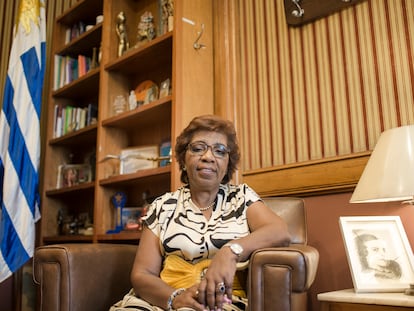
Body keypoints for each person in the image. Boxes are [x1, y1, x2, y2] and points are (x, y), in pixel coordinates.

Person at [110, 115, 291, 311]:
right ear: (183, 158)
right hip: (162, 301)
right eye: (198, 148)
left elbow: (279, 231)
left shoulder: (241, 197)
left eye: (220, 151)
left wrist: (230, 251)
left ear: (227, 163)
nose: (208, 156)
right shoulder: (163, 205)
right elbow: (142, 274)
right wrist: (175, 298)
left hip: (219, 303)